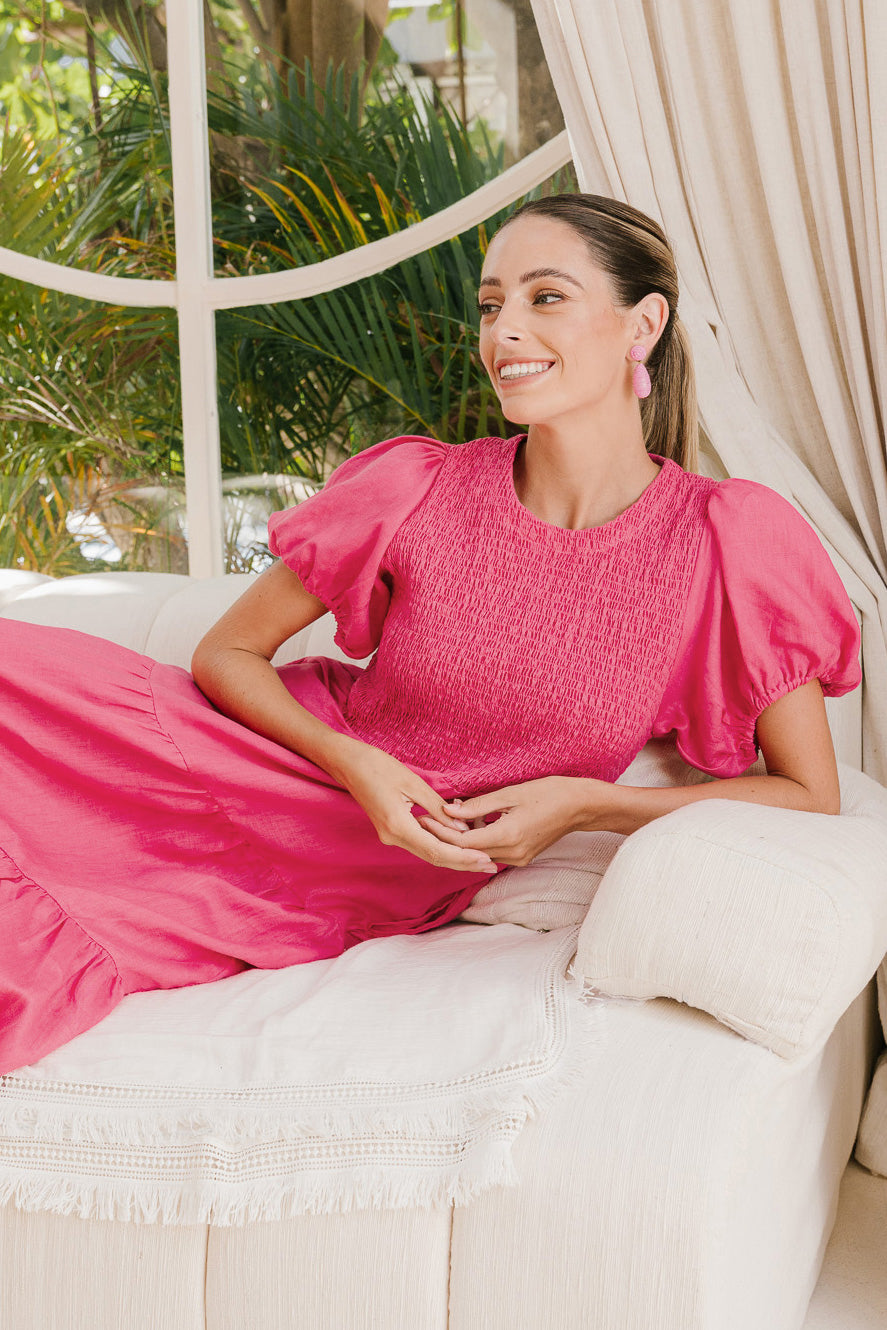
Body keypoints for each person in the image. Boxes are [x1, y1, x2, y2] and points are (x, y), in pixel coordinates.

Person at [0, 194, 861, 1076]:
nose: (504, 331)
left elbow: (807, 792)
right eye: (490, 305)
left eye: (545, 297)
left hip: (355, 864)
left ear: (642, 324)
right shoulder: (418, 484)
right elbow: (226, 654)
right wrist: (356, 764)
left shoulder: (727, 539)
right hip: (228, 758)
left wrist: (587, 805)